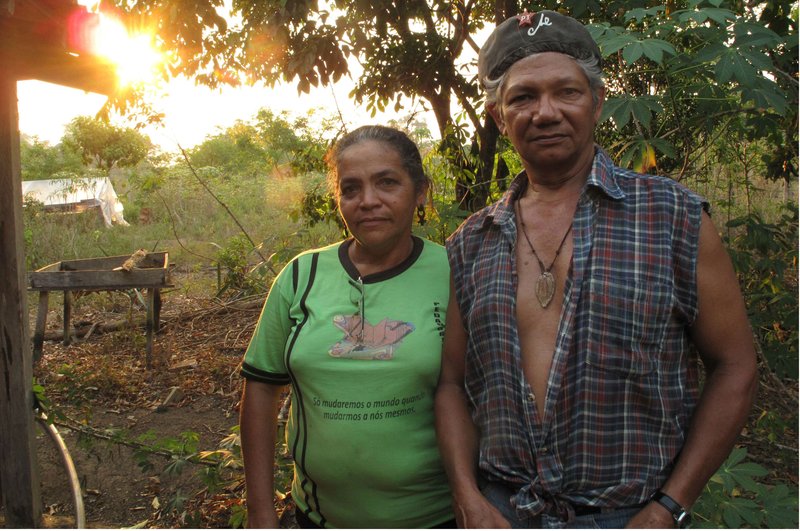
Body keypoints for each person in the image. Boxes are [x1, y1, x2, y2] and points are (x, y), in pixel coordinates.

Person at [435, 9, 758, 529]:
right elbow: (450, 383)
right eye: (523, 97)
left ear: (597, 101)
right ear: (498, 115)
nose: (545, 112)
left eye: (567, 91)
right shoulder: (469, 243)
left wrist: (670, 507)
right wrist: (467, 495)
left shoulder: (672, 217)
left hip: (632, 516)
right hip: (502, 512)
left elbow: (736, 366)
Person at [240, 125, 455, 528]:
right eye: (351, 188)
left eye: (387, 182)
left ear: (421, 191)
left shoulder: (455, 272)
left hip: (435, 516)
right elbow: (261, 388)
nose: (368, 201)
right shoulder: (301, 276)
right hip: (321, 517)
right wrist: (260, 510)